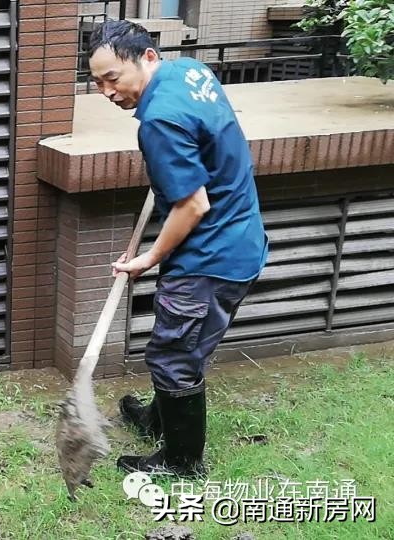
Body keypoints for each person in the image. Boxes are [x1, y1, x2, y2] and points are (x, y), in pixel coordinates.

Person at [86, 20, 268, 476]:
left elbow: (192, 204)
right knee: (180, 343)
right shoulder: (190, 71)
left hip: (211, 256)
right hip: (238, 239)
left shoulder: (160, 121)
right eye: (97, 82)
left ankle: (182, 462)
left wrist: (148, 258)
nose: (107, 92)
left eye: (114, 78)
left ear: (147, 58)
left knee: (173, 353)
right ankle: (156, 420)